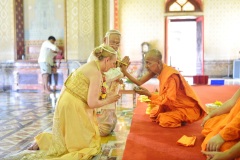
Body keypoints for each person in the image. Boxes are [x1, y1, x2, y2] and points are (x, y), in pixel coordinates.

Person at [4, 44, 120, 160]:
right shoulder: (96, 73)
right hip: (73, 104)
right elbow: (92, 103)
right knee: (86, 146)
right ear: (106, 60)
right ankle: (43, 142)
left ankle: (42, 142)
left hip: (66, 100)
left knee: (71, 137)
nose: (113, 66)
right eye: (113, 63)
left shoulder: (91, 65)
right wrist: (110, 99)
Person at [121, 49, 206, 127]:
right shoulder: (157, 69)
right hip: (173, 105)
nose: (146, 66)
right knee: (154, 113)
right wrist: (125, 71)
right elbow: (139, 82)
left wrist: (149, 94)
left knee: (163, 120)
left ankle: (182, 118)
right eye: (145, 63)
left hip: (186, 108)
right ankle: (175, 115)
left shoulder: (170, 76)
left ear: (158, 62)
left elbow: (169, 99)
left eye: (149, 63)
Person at [87, 30, 127, 136]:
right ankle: (89, 131)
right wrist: (121, 72)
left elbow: (114, 70)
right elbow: (102, 77)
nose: (115, 45)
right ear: (105, 40)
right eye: (112, 42)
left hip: (111, 91)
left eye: (117, 43)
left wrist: (118, 77)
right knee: (104, 130)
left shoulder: (115, 53)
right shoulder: (98, 54)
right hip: (101, 92)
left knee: (111, 123)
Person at [201, 89, 240, 160]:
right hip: (234, 121)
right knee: (210, 122)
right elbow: (232, 102)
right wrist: (211, 115)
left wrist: (227, 154)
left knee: (220, 147)